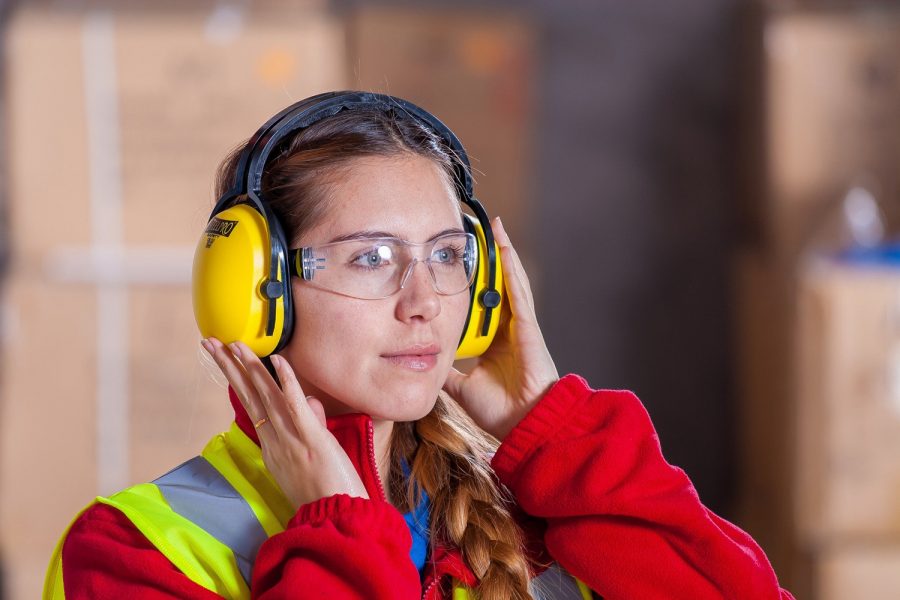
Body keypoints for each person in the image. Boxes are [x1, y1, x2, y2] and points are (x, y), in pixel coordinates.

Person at [44, 92, 793, 600]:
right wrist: (336, 530)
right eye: (371, 258)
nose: (425, 300)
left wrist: (560, 432)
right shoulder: (130, 552)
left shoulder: (551, 512)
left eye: (445, 255)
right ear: (254, 292)